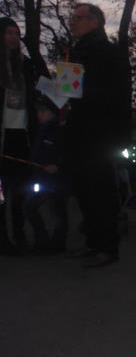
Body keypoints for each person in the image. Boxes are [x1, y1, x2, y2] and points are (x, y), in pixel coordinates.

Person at [63, 3, 131, 268]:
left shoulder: (107, 52)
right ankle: (92, 241)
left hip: (99, 133)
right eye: (73, 17)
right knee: (83, 189)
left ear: (94, 21)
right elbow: (71, 90)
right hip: (79, 130)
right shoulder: (77, 51)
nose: (73, 22)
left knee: (100, 191)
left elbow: (115, 95)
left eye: (78, 18)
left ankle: (107, 246)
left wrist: (79, 94)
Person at [0, 17, 41, 255]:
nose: (14, 37)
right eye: (8, 33)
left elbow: (42, 86)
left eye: (17, 33)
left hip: (21, 134)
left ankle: (19, 231)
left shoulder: (25, 64)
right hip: (2, 134)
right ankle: (3, 236)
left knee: (20, 188)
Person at [24, 95, 69, 253]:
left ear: (52, 113)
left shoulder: (59, 130)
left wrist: (57, 165)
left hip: (55, 180)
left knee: (57, 210)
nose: (39, 114)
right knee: (31, 207)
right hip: (41, 178)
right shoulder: (41, 129)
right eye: (39, 111)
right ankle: (43, 240)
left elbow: (66, 152)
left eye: (43, 111)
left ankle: (56, 243)